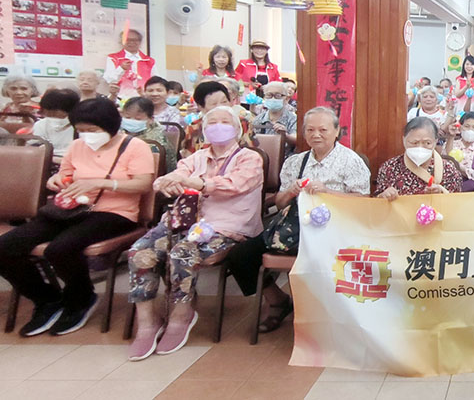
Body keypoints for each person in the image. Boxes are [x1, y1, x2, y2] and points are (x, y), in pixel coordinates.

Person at [0, 98, 154, 337]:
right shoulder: (77, 146)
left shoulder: (135, 146)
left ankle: (81, 299)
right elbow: (65, 175)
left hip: (114, 213)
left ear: (110, 125)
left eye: (93, 130)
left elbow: (143, 184)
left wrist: (101, 183)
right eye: (81, 130)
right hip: (70, 209)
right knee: (6, 247)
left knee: (60, 249)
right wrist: (57, 181)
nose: (87, 135)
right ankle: (47, 299)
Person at [127, 106, 263, 360]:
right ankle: (146, 322)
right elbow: (174, 175)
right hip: (182, 223)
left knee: (182, 253)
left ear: (237, 129)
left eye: (225, 122)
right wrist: (166, 182)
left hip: (226, 227)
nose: (218, 126)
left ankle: (181, 315)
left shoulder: (249, 158)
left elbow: (234, 185)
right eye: (212, 122)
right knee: (139, 252)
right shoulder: (195, 158)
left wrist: (195, 183)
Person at [225, 107, 370, 335]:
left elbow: (363, 201)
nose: (316, 135)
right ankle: (277, 301)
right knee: (240, 256)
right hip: (293, 227)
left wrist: (328, 192)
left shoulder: (351, 161)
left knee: (317, 259)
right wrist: (290, 192)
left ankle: (321, 315)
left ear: (336, 131)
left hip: (335, 229)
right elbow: (280, 203)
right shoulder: (295, 162)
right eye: (310, 130)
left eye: (323, 130)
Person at [376, 117, 463, 199]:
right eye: (414, 143)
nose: (420, 147)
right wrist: (384, 195)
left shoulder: (449, 170)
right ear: (404, 140)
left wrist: (441, 193)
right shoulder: (390, 168)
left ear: (435, 142)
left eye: (427, 143)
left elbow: (457, 202)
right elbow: (377, 201)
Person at [183, 81, 253, 154]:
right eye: (214, 104)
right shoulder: (194, 129)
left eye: (224, 102)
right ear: (200, 107)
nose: (221, 107)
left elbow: (251, 153)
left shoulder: (243, 123)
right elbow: (188, 156)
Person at [121, 97, 178, 173]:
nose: (131, 121)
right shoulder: (117, 133)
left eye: (138, 119)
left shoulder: (155, 142)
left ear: (151, 119)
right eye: (127, 117)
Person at [102, 29, 154, 100]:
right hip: (120, 98)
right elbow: (109, 79)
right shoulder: (114, 58)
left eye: (135, 40)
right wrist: (121, 69)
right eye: (128, 40)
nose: (131, 42)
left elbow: (155, 81)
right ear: (122, 41)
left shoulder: (149, 60)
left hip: (143, 99)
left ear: (139, 42)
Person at [32, 88, 79, 165]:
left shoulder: (80, 126)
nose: (51, 115)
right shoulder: (41, 124)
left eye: (55, 112)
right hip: (46, 161)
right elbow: (36, 147)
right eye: (49, 111)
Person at [444, 111, 474, 191]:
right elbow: (445, 159)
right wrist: (451, 136)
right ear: (460, 127)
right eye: (467, 126)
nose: (470, 130)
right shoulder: (451, 144)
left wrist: (461, 168)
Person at [252, 81, 297, 155]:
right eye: (269, 95)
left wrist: (285, 135)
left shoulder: (293, 119)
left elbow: (297, 140)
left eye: (278, 95)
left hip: (286, 158)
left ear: (286, 99)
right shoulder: (258, 119)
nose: (273, 99)